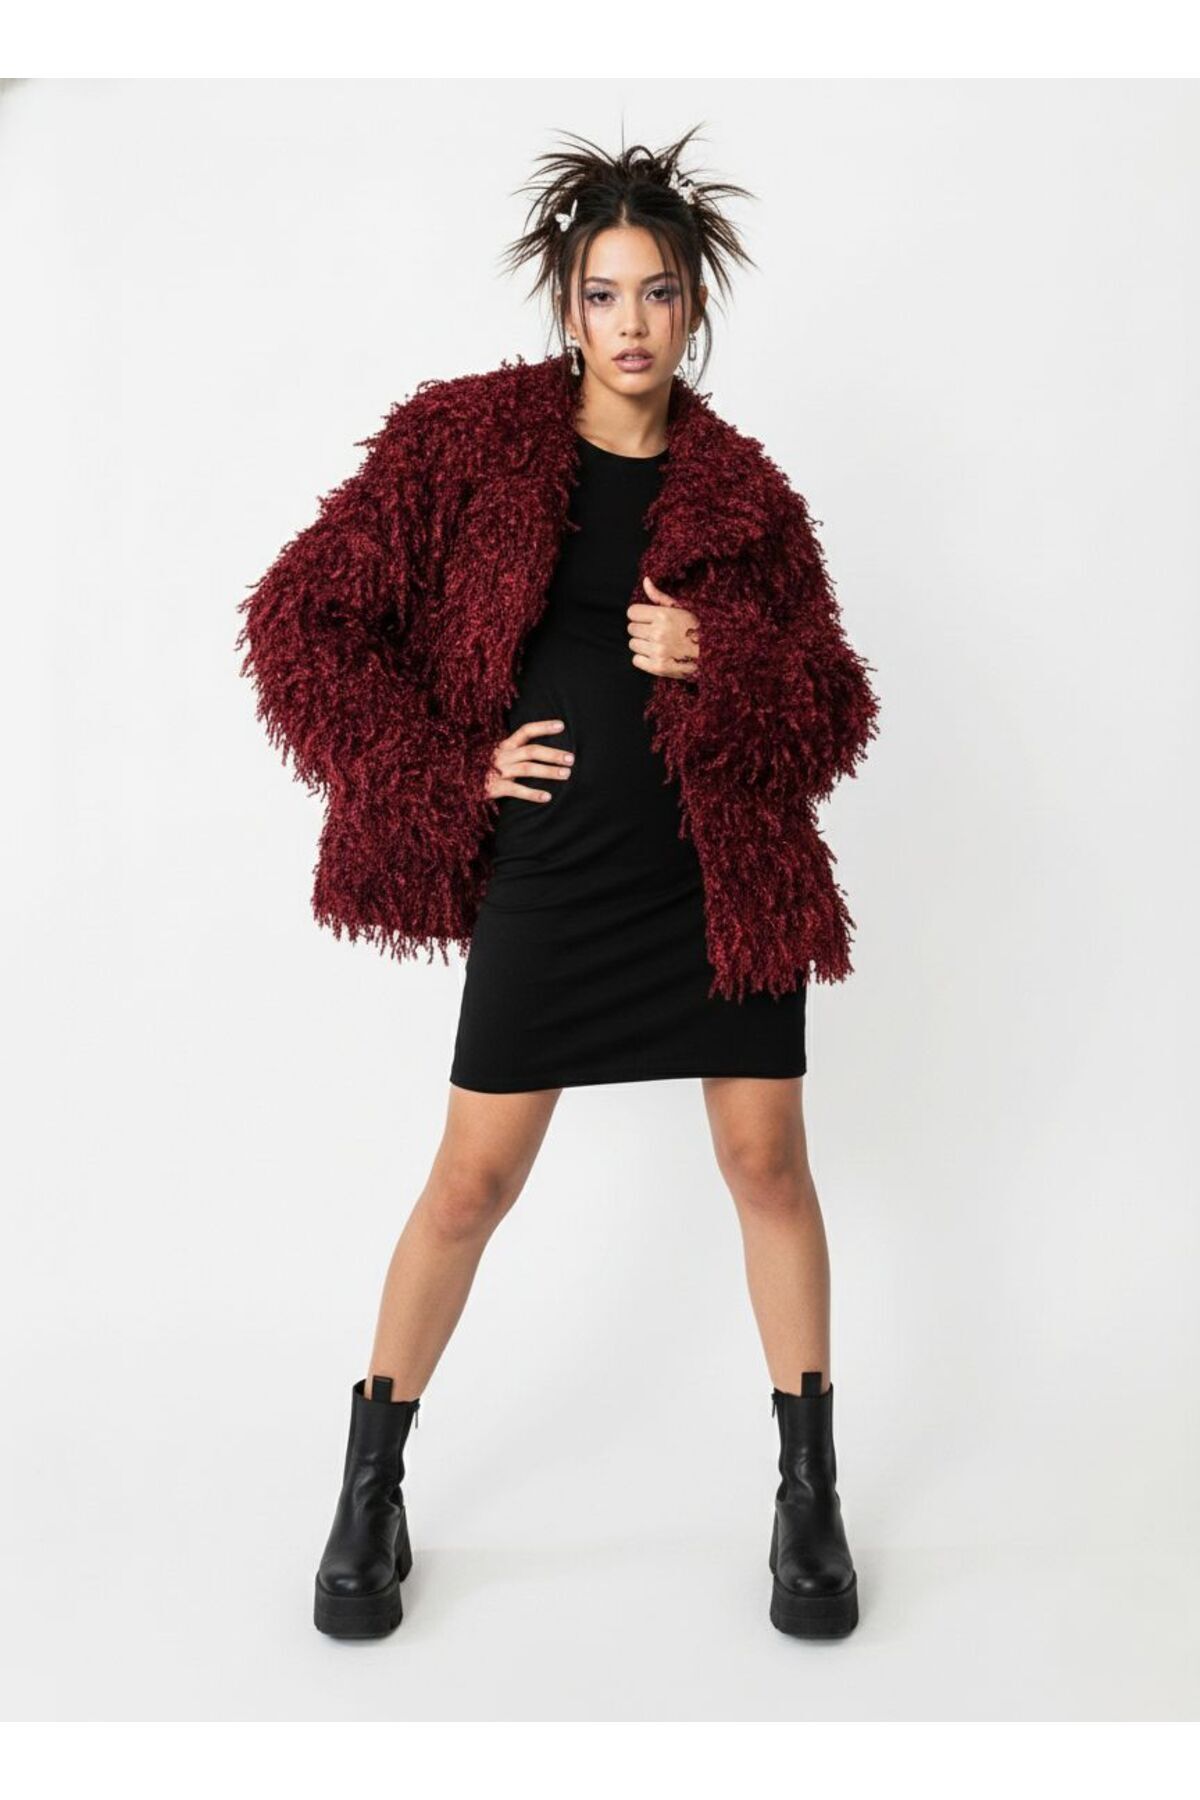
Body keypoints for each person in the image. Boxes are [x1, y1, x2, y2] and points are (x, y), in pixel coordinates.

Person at [236, 126, 879, 1643]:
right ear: (566, 307)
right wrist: (442, 766)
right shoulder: (465, 446)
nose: (631, 322)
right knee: (472, 1183)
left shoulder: (745, 497)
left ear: (694, 306)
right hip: (556, 875)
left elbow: (836, 705)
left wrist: (723, 653)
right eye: (604, 293)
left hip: (718, 880)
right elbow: (301, 620)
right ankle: (371, 1491)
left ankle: (808, 1499)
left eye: (658, 293)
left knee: (767, 1168)